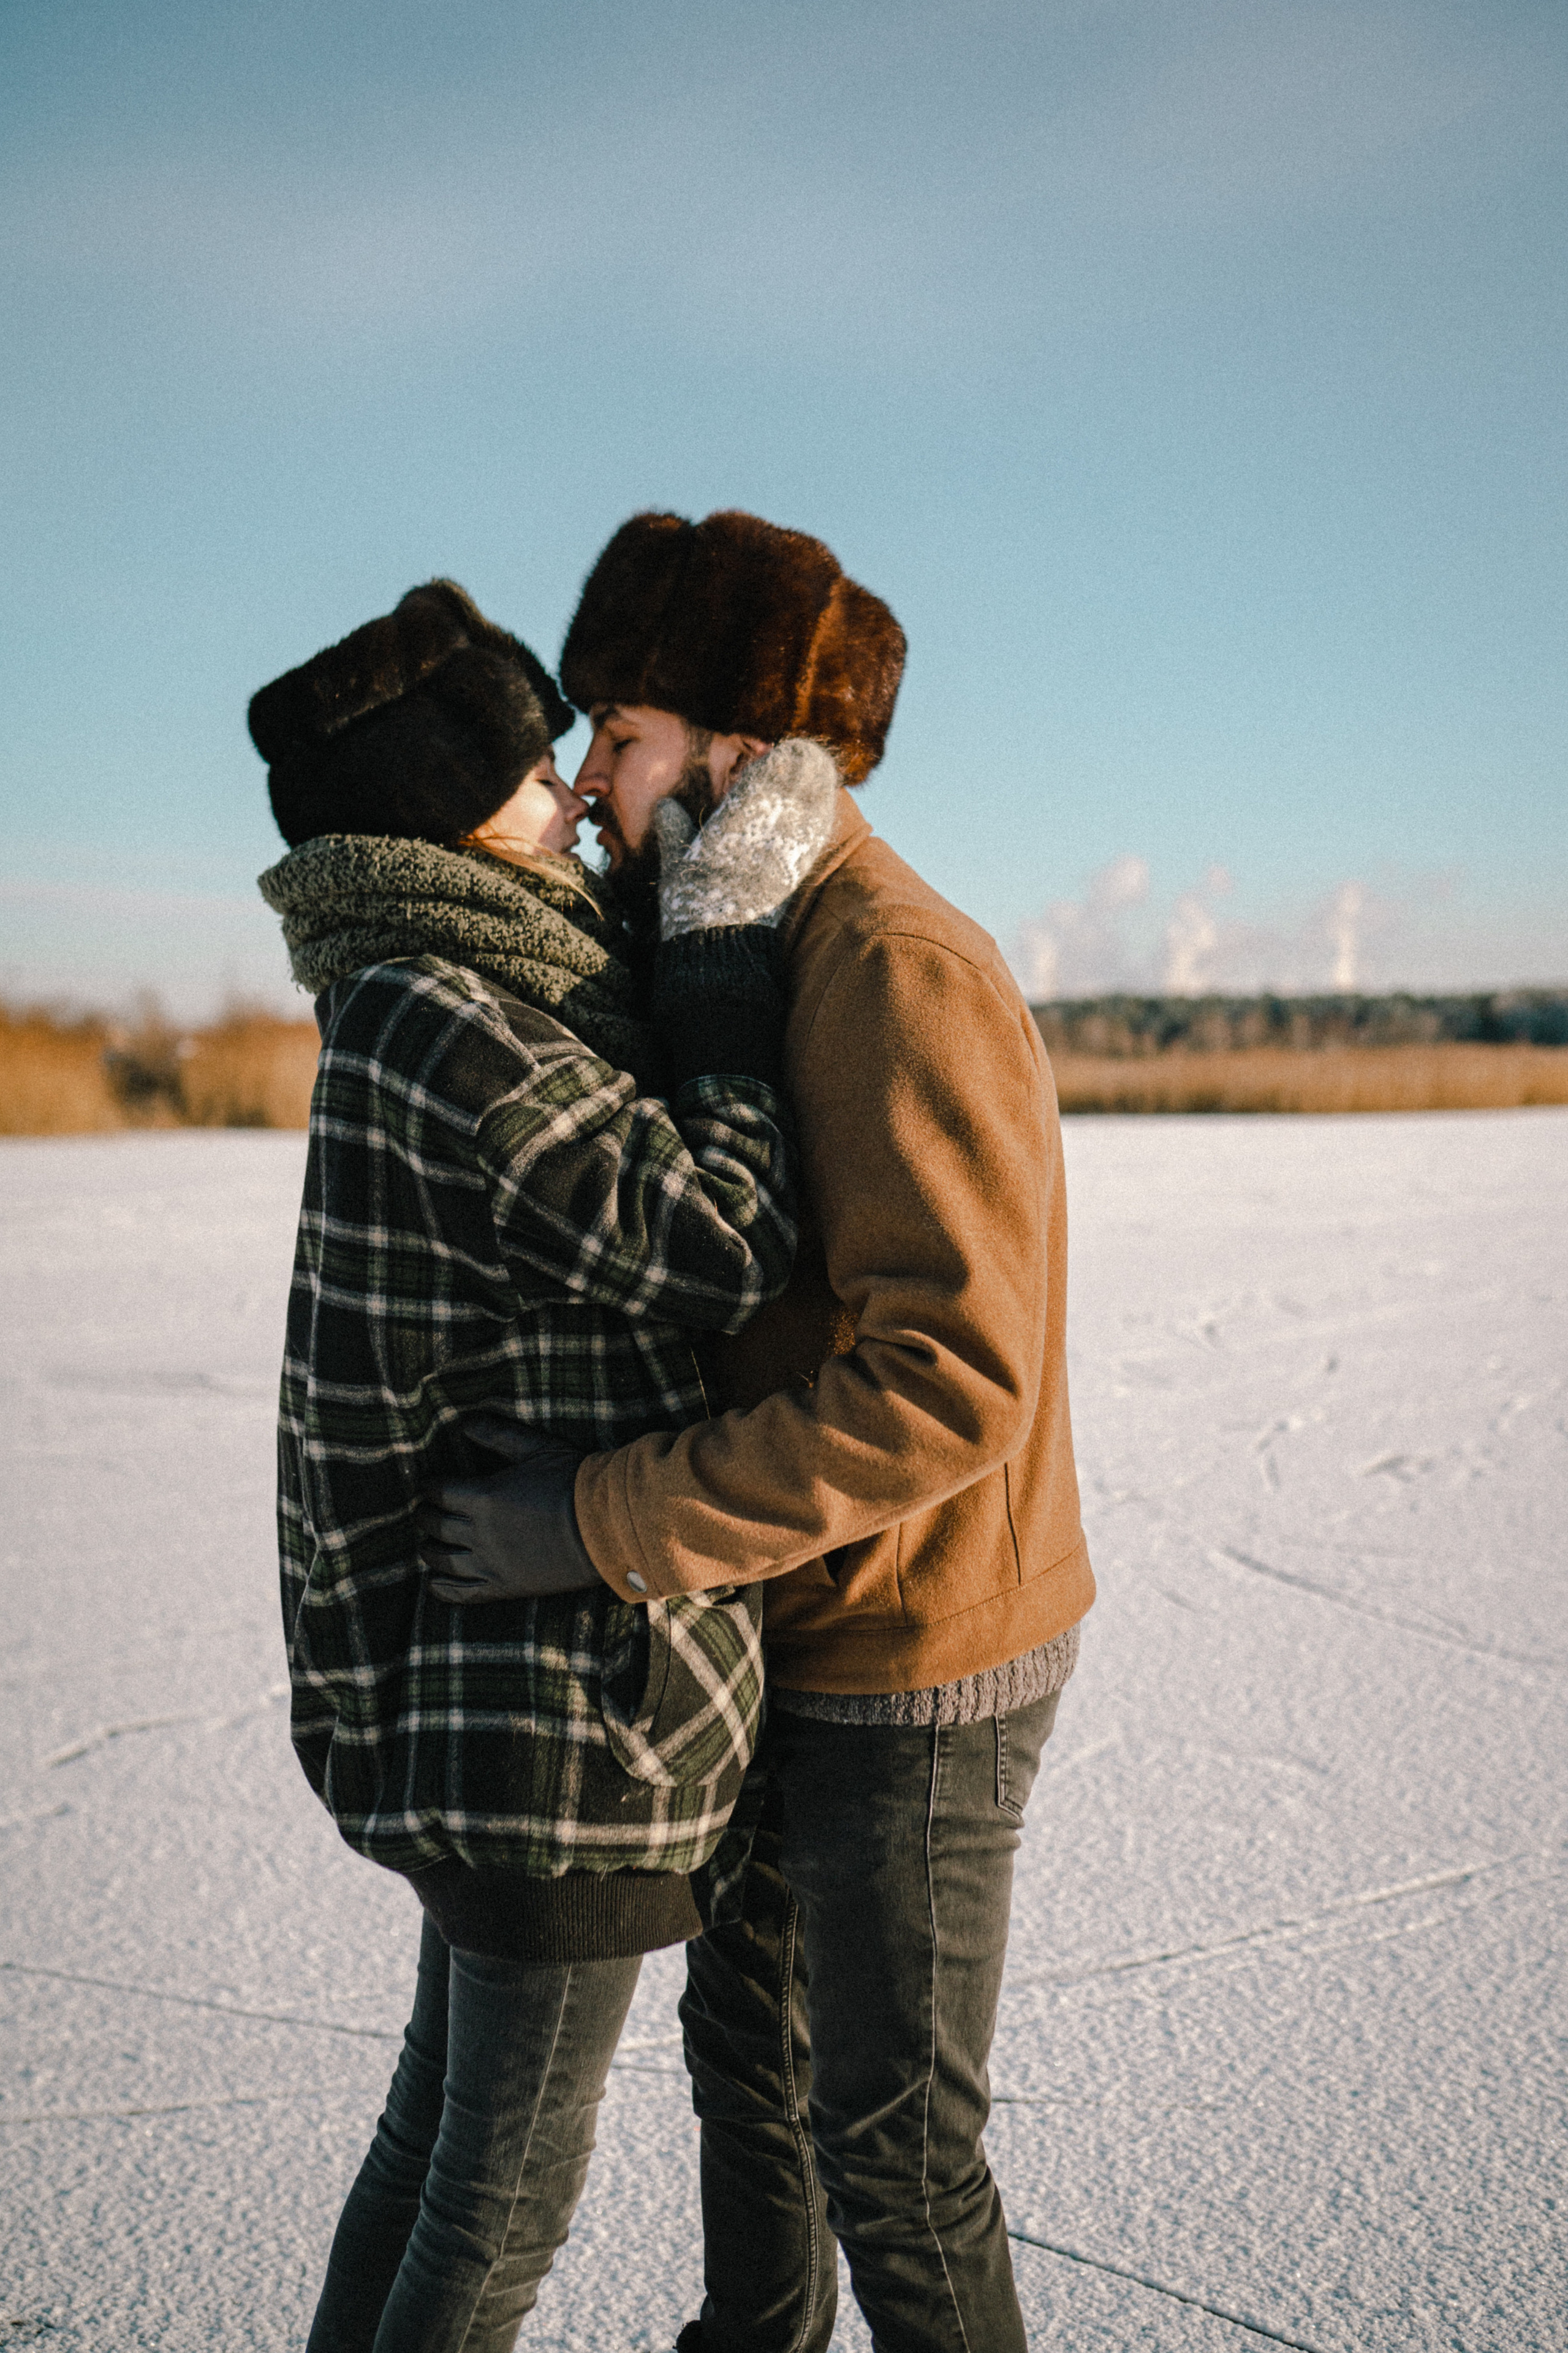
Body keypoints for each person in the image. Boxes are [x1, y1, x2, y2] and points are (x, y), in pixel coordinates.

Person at [424, 512, 1096, 2353]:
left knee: (896, 2151)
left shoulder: (890, 963)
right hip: (771, 1626)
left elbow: (954, 1376)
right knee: (750, 2076)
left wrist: (599, 1521)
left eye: (623, 733)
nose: (591, 780)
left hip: (913, 1660)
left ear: (735, 748)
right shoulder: (730, 948)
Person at [248, 576, 839, 2352]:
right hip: (558, 1711)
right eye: (530, 774)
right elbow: (717, 1238)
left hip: (518, 1694)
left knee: (438, 2146)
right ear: (444, 815)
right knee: (496, 2206)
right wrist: (722, 960)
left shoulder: (451, 986)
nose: (576, 791)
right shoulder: (442, 1011)